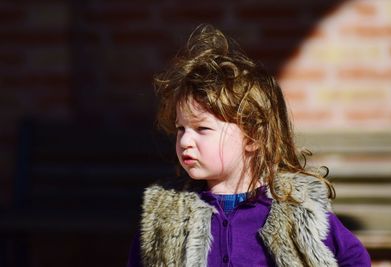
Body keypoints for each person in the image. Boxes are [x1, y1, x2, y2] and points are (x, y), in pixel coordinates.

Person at [127, 24, 371, 267]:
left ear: (253, 137)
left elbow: (354, 259)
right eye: (181, 129)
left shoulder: (296, 207)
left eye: (202, 129)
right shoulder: (166, 213)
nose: (185, 141)